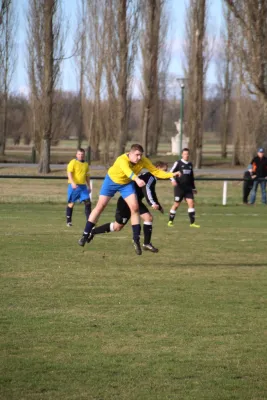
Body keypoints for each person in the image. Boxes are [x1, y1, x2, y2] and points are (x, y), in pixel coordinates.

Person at [78, 144, 181, 255]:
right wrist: (137, 180)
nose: (139, 157)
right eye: (137, 155)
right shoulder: (122, 159)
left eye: (140, 155)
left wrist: (172, 174)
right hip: (111, 182)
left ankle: (136, 239)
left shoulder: (143, 160)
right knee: (100, 206)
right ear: (130, 153)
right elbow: (128, 172)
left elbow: (156, 172)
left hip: (126, 185)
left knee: (135, 208)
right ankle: (85, 234)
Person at [85, 161, 168, 254]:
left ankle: (146, 243)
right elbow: (147, 190)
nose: (164, 173)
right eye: (163, 171)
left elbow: (152, 193)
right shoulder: (150, 177)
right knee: (117, 227)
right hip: (126, 201)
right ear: (156, 168)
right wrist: (152, 203)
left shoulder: (151, 177)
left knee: (148, 218)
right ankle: (93, 231)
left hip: (136, 202)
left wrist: (159, 206)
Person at [167, 148, 200, 228]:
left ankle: (192, 223)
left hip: (188, 188)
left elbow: (191, 177)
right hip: (179, 188)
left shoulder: (190, 165)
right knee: (176, 204)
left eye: (187, 154)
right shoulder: (178, 163)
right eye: (185, 154)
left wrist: (193, 188)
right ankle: (170, 221)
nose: (186, 155)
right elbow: (170, 173)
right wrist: (172, 180)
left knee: (191, 203)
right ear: (182, 154)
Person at [66, 148, 91, 226]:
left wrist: (89, 186)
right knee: (71, 204)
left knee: (88, 203)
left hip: (83, 187)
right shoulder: (73, 162)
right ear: (76, 155)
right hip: (74, 186)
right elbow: (69, 173)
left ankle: (89, 222)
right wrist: (73, 183)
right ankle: (68, 221)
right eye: (79, 154)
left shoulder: (86, 164)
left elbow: (87, 176)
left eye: (82, 154)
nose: (81, 156)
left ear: (84, 155)